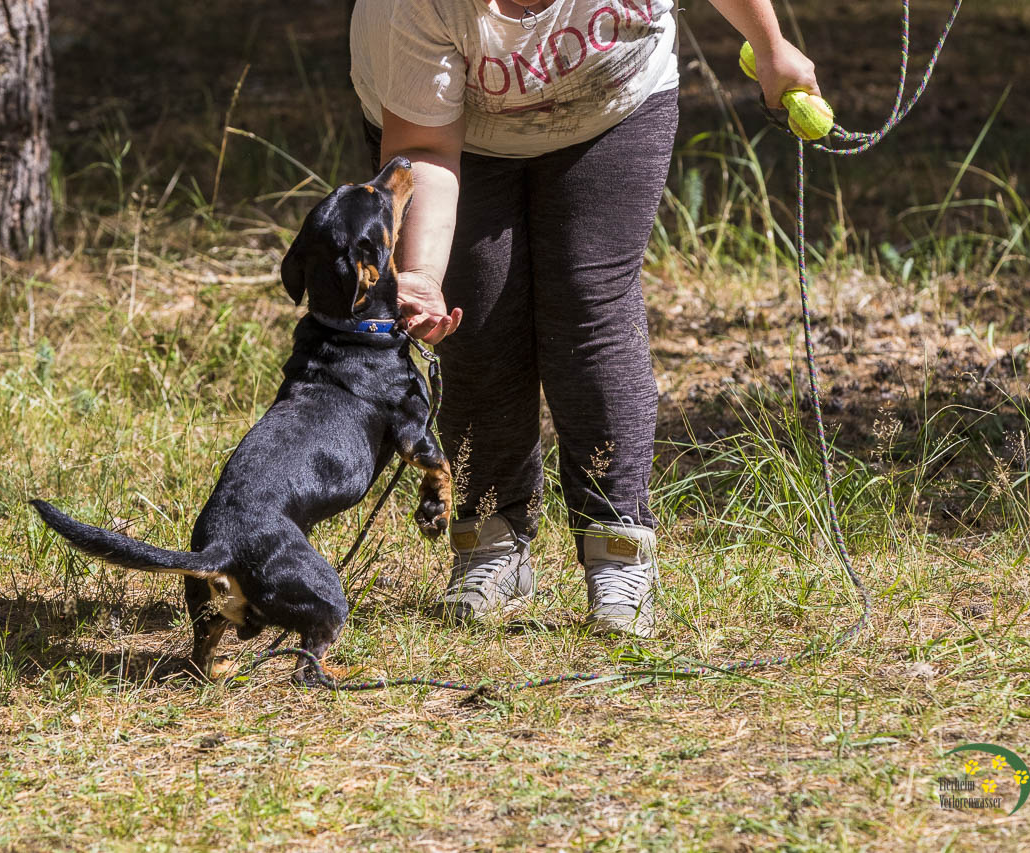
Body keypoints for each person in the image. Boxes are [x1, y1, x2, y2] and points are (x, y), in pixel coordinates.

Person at [349, 0, 820, 635]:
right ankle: (491, 540)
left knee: (589, 308)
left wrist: (770, 46)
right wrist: (424, 277)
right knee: (476, 316)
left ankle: (619, 550)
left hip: (610, 100)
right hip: (451, 132)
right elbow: (425, 148)